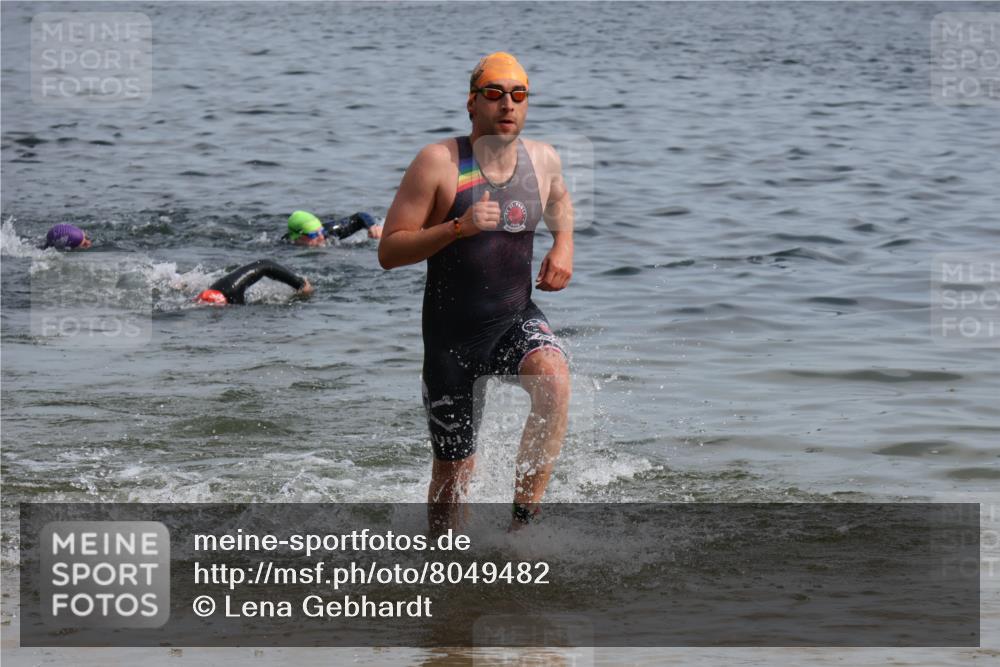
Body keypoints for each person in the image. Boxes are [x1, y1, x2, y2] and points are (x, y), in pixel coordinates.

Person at [378, 52, 574, 531]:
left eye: (518, 94)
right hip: (451, 343)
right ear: (472, 103)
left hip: (512, 320)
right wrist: (457, 229)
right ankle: (444, 573)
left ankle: (522, 526)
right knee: (453, 476)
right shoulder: (438, 163)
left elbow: (561, 203)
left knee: (554, 379)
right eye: (494, 93)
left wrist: (564, 245)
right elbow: (390, 251)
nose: (507, 104)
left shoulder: (543, 159)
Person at [195, 259, 313, 305]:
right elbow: (264, 265)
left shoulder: (230, 290)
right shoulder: (229, 292)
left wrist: (299, 284)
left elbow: (264, 265)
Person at [284, 210, 383, 247]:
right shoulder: (285, 248)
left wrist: (372, 226)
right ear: (297, 237)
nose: (321, 237)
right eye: (313, 235)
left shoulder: (329, 232)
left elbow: (359, 217)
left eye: (321, 231)